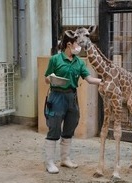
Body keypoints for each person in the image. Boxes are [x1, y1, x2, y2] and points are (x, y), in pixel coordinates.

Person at [44, 32, 102, 174]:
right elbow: (46, 77)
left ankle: (65, 159)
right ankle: (49, 162)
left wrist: (105, 82)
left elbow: (89, 79)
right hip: (57, 96)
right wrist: (51, 79)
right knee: (54, 128)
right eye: (77, 44)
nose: (79, 47)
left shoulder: (79, 62)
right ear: (69, 44)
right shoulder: (55, 59)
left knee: (70, 126)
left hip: (71, 97)